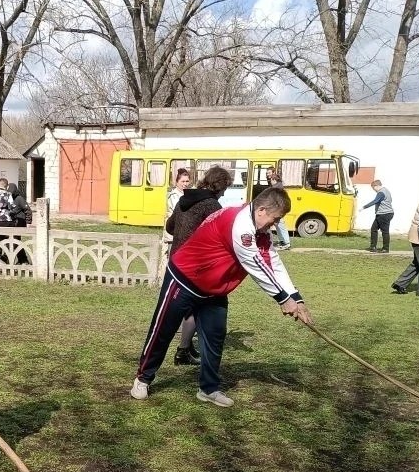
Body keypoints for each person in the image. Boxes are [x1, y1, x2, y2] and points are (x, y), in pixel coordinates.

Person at [131, 188, 314, 408]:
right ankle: (143, 378)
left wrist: (297, 297)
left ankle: (208, 388)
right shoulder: (242, 226)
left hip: (214, 289)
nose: (274, 225)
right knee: (163, 330)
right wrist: (283, 299)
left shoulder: (260, 230)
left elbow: (272, 261)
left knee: (214, 337)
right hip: (184, 279)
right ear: (262, 210)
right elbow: (255, 266)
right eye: (276, 219)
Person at [164, 165, 231, 365]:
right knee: (197, 307)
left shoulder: (185, 198)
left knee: (189, 308)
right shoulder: (212, 206)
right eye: (224, 189)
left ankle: (185, 348)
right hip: (195, 264)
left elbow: (170, 226)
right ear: (219, 187)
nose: (223, 194)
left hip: (176, 260)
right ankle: (183, 350)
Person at [362, 179, 394, 252]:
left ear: (376, 186)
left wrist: (364, 207)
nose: (374, 190)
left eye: (373, 188)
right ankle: (373, 247)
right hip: (385, 213)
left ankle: (385, 248)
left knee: (385, 231)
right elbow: (390, 200)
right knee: (374, 229)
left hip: (384, 214)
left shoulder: (381, 192)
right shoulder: (386, 190)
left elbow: (375, 201)